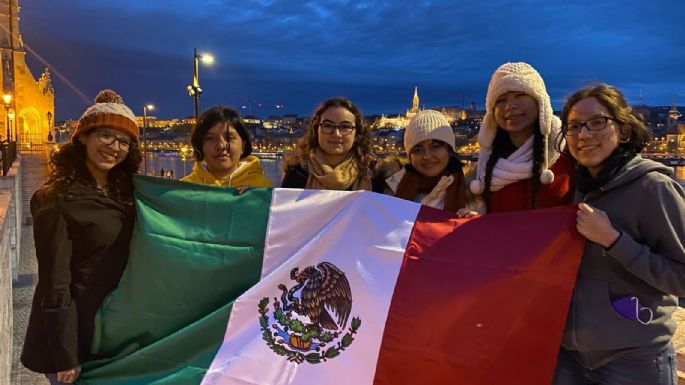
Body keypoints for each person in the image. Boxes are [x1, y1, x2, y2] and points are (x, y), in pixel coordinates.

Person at [553, 84, 684, 384]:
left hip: (634, 358)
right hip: (569, 357)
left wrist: (614, 241)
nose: (584, 134)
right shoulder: (571, 189)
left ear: (623, 130)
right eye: (574, 126)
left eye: (597, 122)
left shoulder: (654, 188)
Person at [21, 90, 142, 384]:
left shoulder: (127, 193)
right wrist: (66, 355)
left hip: (113, 327)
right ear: (83, 137)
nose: (114, 147)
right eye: (105, 135)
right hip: (75, 333)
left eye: (124, 141)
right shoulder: (55, 198)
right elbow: (55, 281)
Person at [469, 62, 575, 212]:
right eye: (501, 100)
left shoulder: (570, 153)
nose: (510, 106)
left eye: (520, 95)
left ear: (541, 103)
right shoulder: (482, 170)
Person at [380, 110, 471, 212]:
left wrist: (472, 222)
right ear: (410, 156)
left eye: (435, 146)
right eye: (417, 150)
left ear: (449, 150)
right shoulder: (389, 190)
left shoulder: (473, 196)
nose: (426, 156)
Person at [281, 97, 374, 190]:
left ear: (357, 133)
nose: (336, 134)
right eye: (328, 125)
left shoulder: (375, 175)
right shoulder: (297, 173)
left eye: (345, 127)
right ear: (316, 130)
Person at [181, 106, 272, 188]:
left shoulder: (263, 189)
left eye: (229, 138)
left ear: (243, 145)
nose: (221, 146)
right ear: (199, 145)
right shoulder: (184, 190)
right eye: (210, 138)